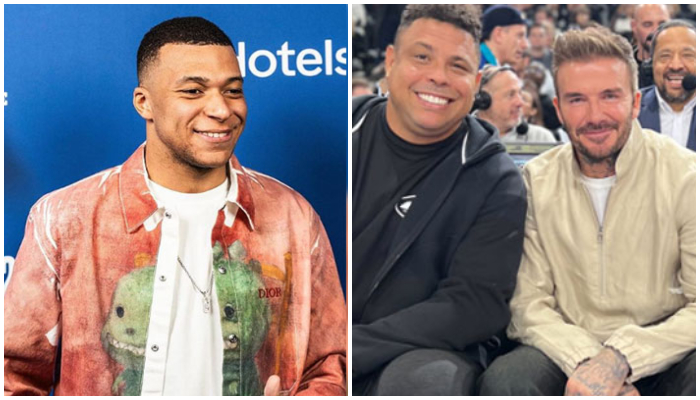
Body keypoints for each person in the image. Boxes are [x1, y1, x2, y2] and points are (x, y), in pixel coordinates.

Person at [4, 17, 347, 396]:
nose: (221, 109)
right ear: (144, 103)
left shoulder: (293, 217)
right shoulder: (63, 218)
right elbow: (12, 372)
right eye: (193, 91)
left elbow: (330, 365)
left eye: (233, 90)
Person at [479, 27, 695, 396]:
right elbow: (527, 304)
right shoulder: (533, 182)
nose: (595, 116)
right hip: (563, 350)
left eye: (609, 96)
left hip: (667, 349)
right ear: (559, 109)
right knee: (506, 380)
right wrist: (587, 361)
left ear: (634, 102)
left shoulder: (687, 176)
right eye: (577, 100)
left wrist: (622, 359)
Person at [352, 4, 527, 396]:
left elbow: (472, 305)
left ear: (476, 80)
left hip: (421, 352)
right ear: (391, 61)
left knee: (424, 382)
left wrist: (352, 349)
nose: (438, 77)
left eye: (458, 66)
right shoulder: (342, 131)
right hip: (322, 340)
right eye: (422, 57)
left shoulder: (497, 179)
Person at [638, 20, 696, 151]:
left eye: (687, 56)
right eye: (665, 56)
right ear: (650, 65)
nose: (676, 66)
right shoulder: (629, 109)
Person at [473, 65, 556, 143]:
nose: (520, 103)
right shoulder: (462, 135)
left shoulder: (541, 138)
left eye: (520, 93)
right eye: (511, 95)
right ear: (483, 101)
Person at [631, 4, 670, 88]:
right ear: (634, 26)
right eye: (648, 24)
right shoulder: (623, 68)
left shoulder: (683, 66)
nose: (656, 30)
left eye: (662, 24)